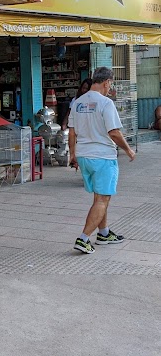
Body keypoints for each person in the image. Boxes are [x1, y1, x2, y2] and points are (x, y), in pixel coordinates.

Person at [68, 66, 136, 254]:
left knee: (100, 196)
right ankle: (83, 239)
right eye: (110, 84)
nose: (110, 87)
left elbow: (71, 131)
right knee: (102, 199)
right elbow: (114, 132)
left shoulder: (78, 103)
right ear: (106, 82)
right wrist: (128, 150)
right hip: (103, 156)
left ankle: (104, 233)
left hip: (84, 156)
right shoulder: (106, 103)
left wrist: (72, 154)